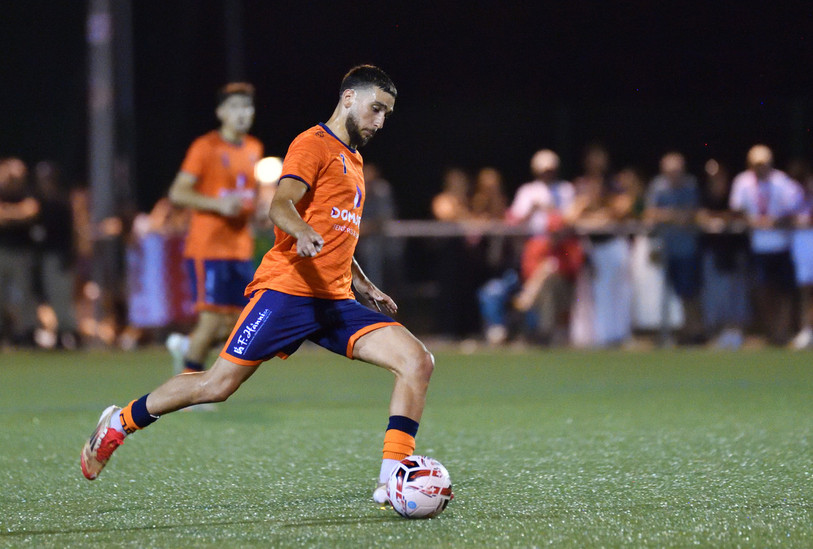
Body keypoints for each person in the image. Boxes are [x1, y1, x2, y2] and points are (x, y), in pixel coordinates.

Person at [80, 65, 436, 507]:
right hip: (287, 292)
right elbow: (281, 204)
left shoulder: (355, 160)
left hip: (335, 300)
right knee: (217, 385)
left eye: (387, 114)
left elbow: (338, 231)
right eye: (376, 108)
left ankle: (391, 479)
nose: (380, 121)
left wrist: (363, 284)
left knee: (417, 361)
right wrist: (300, 231)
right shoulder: (313, 144)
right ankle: (120, 422)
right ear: (348, 98)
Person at [163, 83, 264, 376]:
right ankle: (186, 387)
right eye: (234, 107)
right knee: (210, 322)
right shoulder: (205, 147)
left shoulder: (254, 148)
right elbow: (177, 193)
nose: (242, 113)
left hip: (240, 249)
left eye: (247, 107)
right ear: (221, 113)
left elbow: (245, 196)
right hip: (208, 249)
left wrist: (255, 211)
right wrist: (217, 205)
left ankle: (187, 346)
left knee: (242, 324)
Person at [729, 144, 804, 345]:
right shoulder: (743, 182)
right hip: (757, 246)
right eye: (756, 164)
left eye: (764, 164)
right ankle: (771, 330)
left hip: (781, 245)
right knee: (762, 291)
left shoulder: (782, 182)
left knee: (784, 291)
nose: (760, 168)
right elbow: (737, 209)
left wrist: (776, 221)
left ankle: (783, 330)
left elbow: (795, 208)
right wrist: (751, 220)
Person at [643, 152, 704, 346]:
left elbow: (691, 214)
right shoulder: (657, 186)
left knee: (689, 292)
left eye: (677, 171)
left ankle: (694, 332)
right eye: (670, 172)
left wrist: (668, 216)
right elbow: (650, 214)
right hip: (665, 249)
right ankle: (666, 333)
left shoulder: (690, 185)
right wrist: (673, 216)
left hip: (687, 249)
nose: (674, 175)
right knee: (663, 293)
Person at [696, 159, 749, 349]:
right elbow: (700, 217)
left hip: (735, 252)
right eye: (711, 177)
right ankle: (718, 333)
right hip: (713, 252)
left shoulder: (735, 192)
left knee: (735, 293)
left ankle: (735, 332)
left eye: (718, 176)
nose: (715, 180)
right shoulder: (703, 195)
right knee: (716, 295)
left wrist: (722, 218)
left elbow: (739, 213)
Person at [30, 160, 80, 348]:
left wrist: (69, 256)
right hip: (46, 257)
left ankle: (70, 333)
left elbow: (71, 234)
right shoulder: (40, 203)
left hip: (58, 256)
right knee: (52, 296)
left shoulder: (61, 202)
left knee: (61, 297)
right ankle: (61, 333)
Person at [0, 157, 40, 346]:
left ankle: (26, 333)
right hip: (2, 251)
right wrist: (16, 214)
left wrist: (9, 213)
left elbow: (30, 211)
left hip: (21, 253)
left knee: (24, 294)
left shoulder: (26, 192)